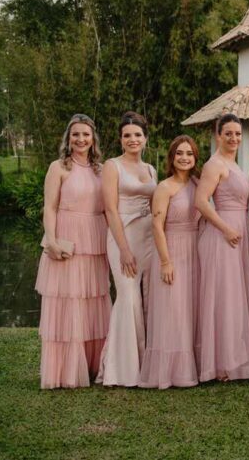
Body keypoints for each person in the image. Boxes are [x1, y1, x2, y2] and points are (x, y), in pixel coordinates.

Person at [36, 114, 112, 389]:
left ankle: (94, 366)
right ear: (68, 139)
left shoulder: (102, 170)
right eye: (76, 135)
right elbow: (50, 207)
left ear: (94, 139)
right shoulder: (58, 168)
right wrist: (52, 241)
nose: (81, 139)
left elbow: (109, 208)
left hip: (95, 239)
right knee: (68, 301)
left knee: (93, 300)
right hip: (68, 238)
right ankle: (65, 371)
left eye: (86, 135)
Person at [195, 114, 249, 382]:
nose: (234, 138)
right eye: (228, 133)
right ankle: (219, 363)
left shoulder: (235, 164)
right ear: (218, 135)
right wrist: (226, 228)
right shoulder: (214, 165)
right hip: (222, 235)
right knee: (223, 297)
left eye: (238, 134)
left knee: (234, 296)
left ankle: (234, 358)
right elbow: (201, 202)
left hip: (238, 231)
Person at [96, 111, 156, 387]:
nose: (133, 139)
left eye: (137, 135)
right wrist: (123, 249)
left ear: (145, 139)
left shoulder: (151, 169)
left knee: (144, 297)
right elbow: (110, 209)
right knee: (128, 296)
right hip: (123, 238)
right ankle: (122, 369)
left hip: (149, 239)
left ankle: (146, 363)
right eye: (127, 135)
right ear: (121, 140)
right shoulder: (112, 166)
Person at [139, 136, 201, 389]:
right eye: (180, 153)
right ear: (172, 157)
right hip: (172, 248)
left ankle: (194, 365)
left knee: (190, 308)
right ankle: (169, 371)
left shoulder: (198, 184)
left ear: (195, 158)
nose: (185, 157)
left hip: (195, 250)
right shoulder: (164, 187)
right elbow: (156, 224)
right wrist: (165, 261)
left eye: (189, 153)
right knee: (171, 309)